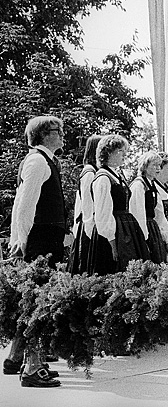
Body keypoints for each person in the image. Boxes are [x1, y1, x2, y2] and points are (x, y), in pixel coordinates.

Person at [4, 116, 66, 387]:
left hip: (48, 240)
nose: (62, 134)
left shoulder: (48, 160)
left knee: (34, 300)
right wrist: (20, 241)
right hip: (39, 242)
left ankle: (16, 357)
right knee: (38, 304)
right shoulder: (37, 161)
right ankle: (32, 367)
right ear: (41, 135)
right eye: (56, 131)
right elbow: (24, 204)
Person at [86, 135, 150, 275]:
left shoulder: (117, 175)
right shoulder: (103, 178)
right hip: (112, 234)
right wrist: (112, 242)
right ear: (108, 152)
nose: (124, 155)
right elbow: (103, 213)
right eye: (120, 151)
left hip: (125, 229)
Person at [68, 134, 102, 274]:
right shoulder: (89, 173)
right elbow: (86, 206)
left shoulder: (97, 172)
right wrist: (90, 235)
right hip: (89, 229)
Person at [130, 152, 168, 264]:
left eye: (159, 165)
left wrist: (166, 239)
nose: (158, 168)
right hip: (143, 232)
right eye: (154, 165)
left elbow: (159, 213)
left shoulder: (152, 185)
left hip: (153, 230)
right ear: (145, 166)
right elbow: (138, 214)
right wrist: (144, 240)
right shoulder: (139, 186)